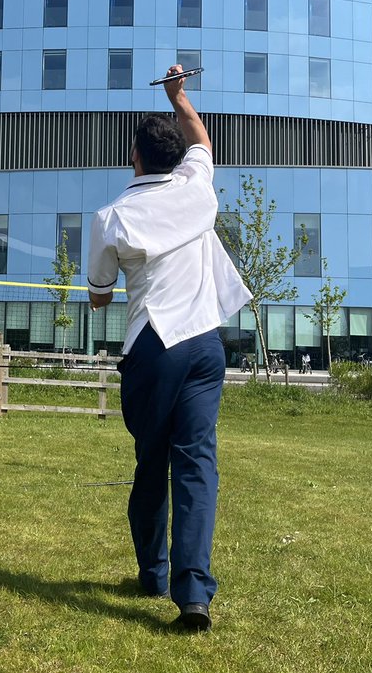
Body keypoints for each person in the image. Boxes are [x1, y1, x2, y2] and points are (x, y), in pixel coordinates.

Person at [87, 65, 252, 632]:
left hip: (153, 347)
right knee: (197, 464)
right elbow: (202, 139)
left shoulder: (111, 217)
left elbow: (100, 296)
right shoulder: (196, 187)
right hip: (206, 344)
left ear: (134, 158)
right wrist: (179, 97)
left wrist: (103, 289)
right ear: (174, 159)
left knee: (150, 463)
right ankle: (193, 595)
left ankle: (153, 574)